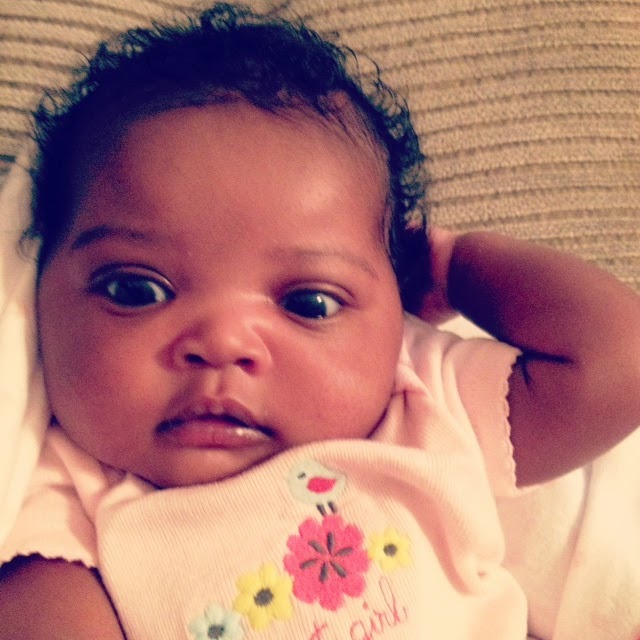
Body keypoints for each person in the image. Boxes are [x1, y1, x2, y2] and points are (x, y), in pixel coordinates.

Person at [1, 3, 639, 639]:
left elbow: (619, 363)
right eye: (137, 290)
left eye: (309, 303)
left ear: (397, 304)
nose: (223, 342)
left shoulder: (423, 404)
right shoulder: (69, 496)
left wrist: (454, 267)